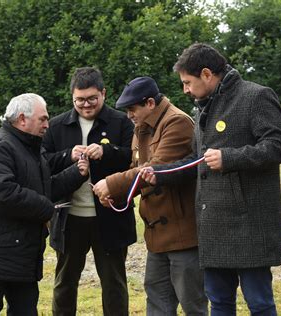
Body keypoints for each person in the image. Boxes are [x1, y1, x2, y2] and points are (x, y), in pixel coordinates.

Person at [140, 43, 281, 315]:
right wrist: (159, 174)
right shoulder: (204, 108)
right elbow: (198, 161)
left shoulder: (256, 96)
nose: (185, 89)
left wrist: (229, 158)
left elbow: (278, 146)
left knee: (259, 303)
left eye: (187, 82)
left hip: (250, 227)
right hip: (213, 229)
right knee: (219, 303)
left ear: (207, 74)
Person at [0, 93, 89, 315]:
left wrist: (76, 174)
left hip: (20, 253)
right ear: (22, 119)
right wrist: (48, 209)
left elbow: (43, 189)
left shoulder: (30, 148)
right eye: (43, 119)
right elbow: (2, 192)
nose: (48, 124)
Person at [92, 76, 208, 315]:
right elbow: (139, 174)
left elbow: (154, 168)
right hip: (158, 236)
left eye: (132, 108)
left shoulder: (177, 122)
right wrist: (120, 196)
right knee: (157, 302)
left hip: (183, 235)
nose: (129, 115)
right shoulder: (142, 127)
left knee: (192, 304)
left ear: (150, 104)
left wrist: (112, 185)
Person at [42, 67, 136, 316]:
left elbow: (134, 160)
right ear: (72, 97)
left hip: (111, 216)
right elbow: (41, 163)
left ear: (103, 94)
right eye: (79, 100)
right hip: (68, 218)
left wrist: (108, 152)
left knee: (114, 283)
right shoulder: (56, 126)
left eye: (92, 99)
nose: (85, 105)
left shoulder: (123, 122)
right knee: (64, 283)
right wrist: (66, 156)